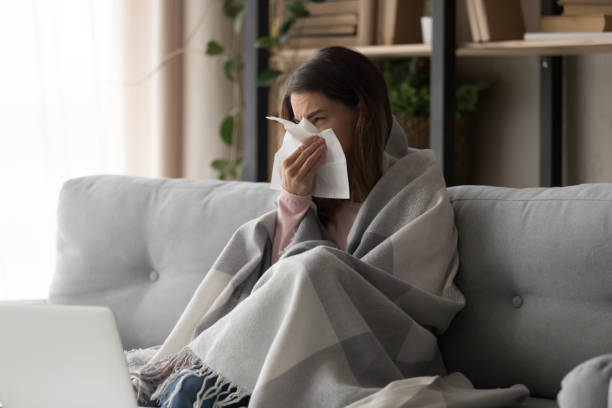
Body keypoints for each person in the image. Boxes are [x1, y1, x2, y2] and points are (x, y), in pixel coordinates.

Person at [144, 46, 415, 408]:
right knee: (188, 391)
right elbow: (270, 289)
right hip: (282, 345)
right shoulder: (315, 201)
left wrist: (320, 270)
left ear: (362, 114)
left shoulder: (414, 192)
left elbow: (408, 303)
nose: (307, 137)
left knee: (315, 264)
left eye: (318, 119)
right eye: (298, 124)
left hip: (359, 352)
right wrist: (294, 201)